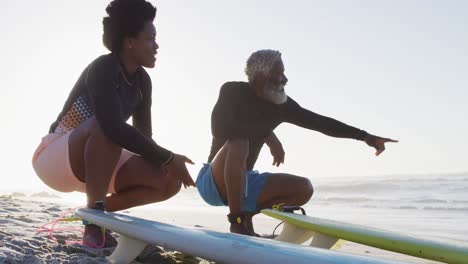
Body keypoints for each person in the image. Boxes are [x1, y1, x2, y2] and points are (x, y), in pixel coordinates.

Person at [32, 0, 195, 247]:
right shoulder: (103, 67)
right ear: (130, 41)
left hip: (100, 160)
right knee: (107, 127)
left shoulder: (143, 82)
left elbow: (143, 137)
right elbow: (111, 126)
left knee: (168, 179)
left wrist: (169, 164)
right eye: (151, 38)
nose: (157, 45)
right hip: (57, 156)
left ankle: (94, 209)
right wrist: (169, 156)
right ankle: (94, 224)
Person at [196, 49, 398, 236]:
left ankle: (248, 215)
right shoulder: (233, 91)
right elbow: (220, 128)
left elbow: (320, 122)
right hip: (212, 181)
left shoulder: (281, 105)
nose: (285, 78)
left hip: (245, 182)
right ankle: (237, 220)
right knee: (239, 142)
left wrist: (366, 137)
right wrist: (269, 135)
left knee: (303, 188)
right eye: (279, 72)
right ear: (261, 75)